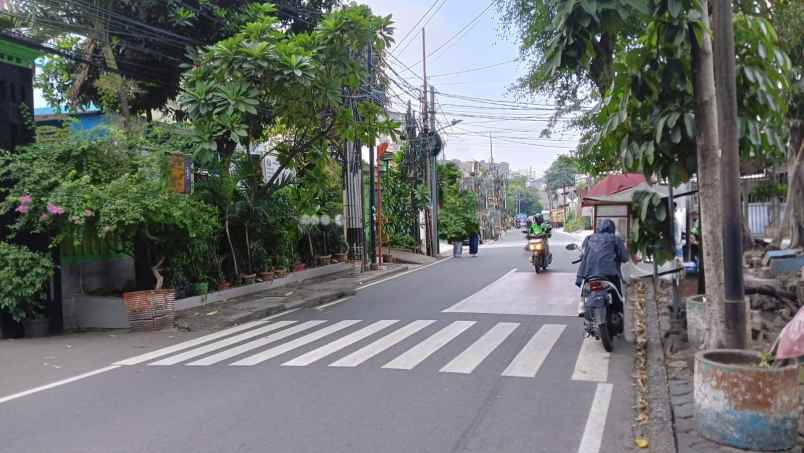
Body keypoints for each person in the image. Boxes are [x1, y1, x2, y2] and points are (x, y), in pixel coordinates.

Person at [575, 219, 628, 327]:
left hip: (590, 274)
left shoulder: (589, 238)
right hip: (610, 274)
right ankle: (619, 315)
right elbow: (624, 258)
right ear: (612, 229)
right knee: (618, 298)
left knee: (585, 294)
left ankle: (583, 309)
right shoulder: (615, 239)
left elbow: (583, 255)